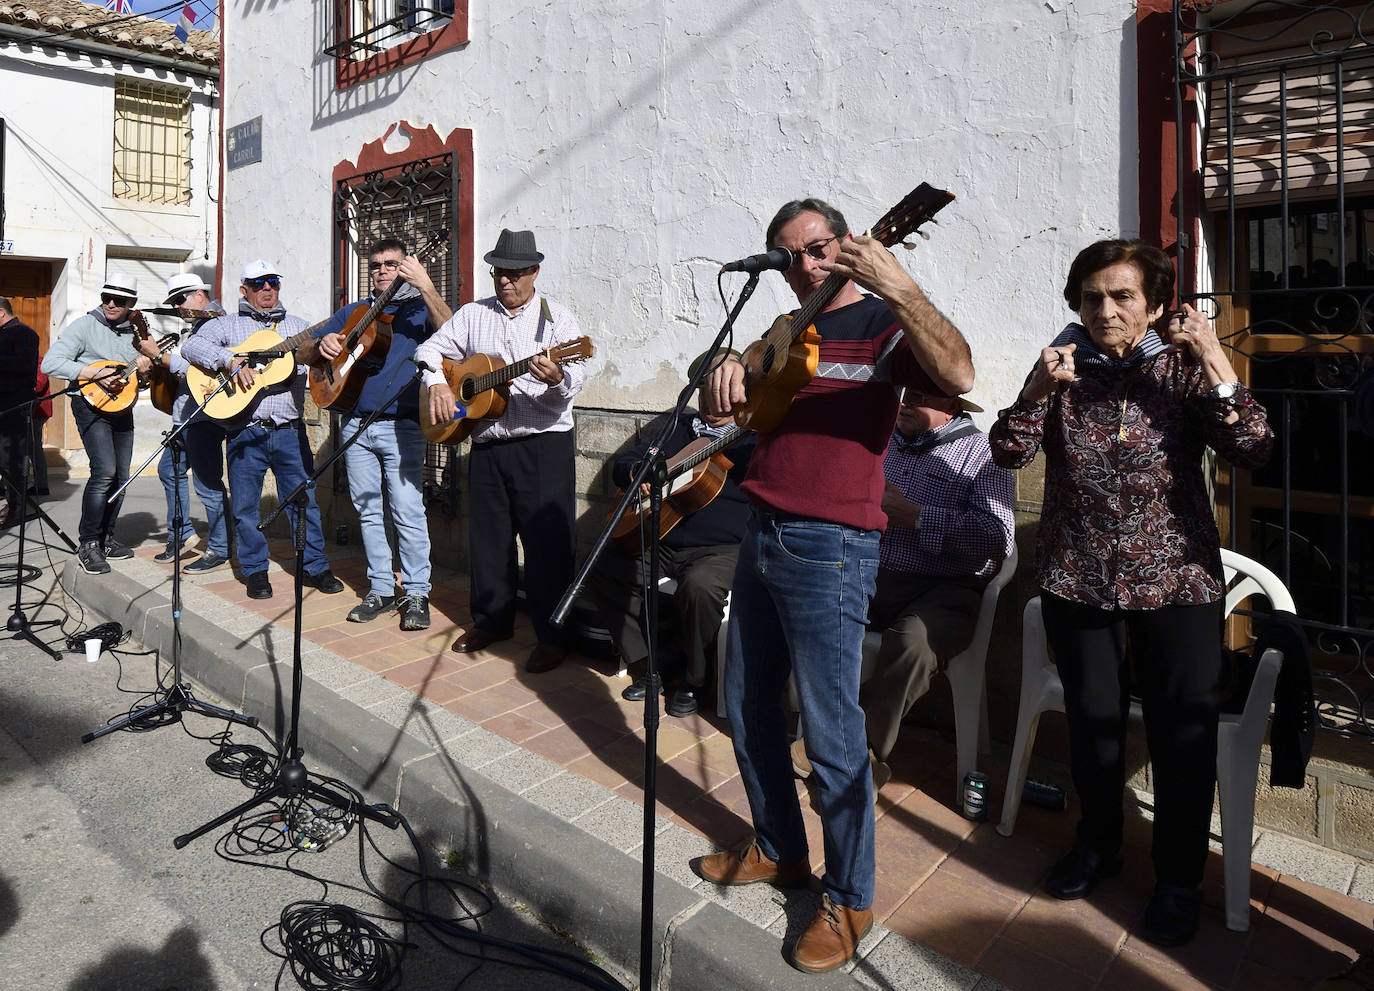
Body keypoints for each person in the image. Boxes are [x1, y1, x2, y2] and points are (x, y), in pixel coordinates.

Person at [694, 197, 975, 974]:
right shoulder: (782, 334)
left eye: (817, 249)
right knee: (747, 704)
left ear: (846, 248)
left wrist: (904, 287)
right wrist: (724, 370)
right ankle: (781, 848)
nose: (805, 266)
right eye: (789, 255)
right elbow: (734, 387)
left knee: (831, 730)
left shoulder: (883, 327)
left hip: (834, 547)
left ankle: (850, 895)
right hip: (762, 530)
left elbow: (959, 370)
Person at [989, 238, 1273, 947]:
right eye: (1092, 296)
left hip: (1177, 583)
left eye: (1122, 296)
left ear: (1154, 304)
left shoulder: (1180, 371)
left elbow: (1254, 446)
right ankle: (1099, 842)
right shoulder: (1061, 370)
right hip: (1078, 579)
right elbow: (1007, 451)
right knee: (1093, 727)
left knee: (1183, 738)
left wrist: (1212, 357)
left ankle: (1178, 878)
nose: (1105, 309)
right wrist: (1033, 393)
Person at [790, 385, 1015, 784]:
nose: (906, 403)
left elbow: (997, 537)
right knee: (815, 608)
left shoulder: (984, 454)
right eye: (906, 393)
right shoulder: (880, 438)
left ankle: (854, 751)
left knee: (913, 643)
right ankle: (821, 732)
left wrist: (915, 516)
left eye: (922, 398)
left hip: (947, 589)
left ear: (951, 406)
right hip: (873, 570)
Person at [415, 229, 585, 674]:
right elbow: (430, 350)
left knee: (548, 545)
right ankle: (492, 620)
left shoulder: (559, 321)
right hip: (489, 442)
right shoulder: (473, 315)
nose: (504, 281)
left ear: (534, 272)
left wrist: (556, 377)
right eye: (498, 273)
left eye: (513, 273)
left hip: (543, 445)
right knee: (488, 540)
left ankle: (553, 635)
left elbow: (576, 380)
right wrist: (435, 381)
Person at [590, 350, 755, 717]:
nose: (712, 393)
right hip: (660, 536)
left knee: (700, 587)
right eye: (704, 384)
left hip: (721, 549)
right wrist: (637, 473)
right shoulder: (677, 427)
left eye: (720, 382)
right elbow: (627, 460)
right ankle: (649, 664)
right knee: (602, 566)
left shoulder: (753, 437)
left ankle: (695, 681)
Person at [301, 236, 452, 631]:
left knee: (407, 511)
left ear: (404, 267)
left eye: (391, 263)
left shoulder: (421, 311)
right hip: (355, 424)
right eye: (376, 265)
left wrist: (428, 286)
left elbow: (456, 338)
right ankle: (381, 589)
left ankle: (417, 592)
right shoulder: (355, 311)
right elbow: (303, 354)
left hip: (402, 427)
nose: (383, 269)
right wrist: (323, 342)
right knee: (368, 512)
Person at [180, 261, 344, 600]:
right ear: (244, 290)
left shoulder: (298, 327)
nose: (267, 288)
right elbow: (191, 348)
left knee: (304, 502)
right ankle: (255, 570)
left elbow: (322, 360)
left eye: (273, 282)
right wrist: (229, 361)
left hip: (289, 430)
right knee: (245, 506)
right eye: (258, 283)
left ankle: (314, 567)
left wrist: (327, 347)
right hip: (244, 431)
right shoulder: (226, 325)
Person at [41, 279, 164, 575]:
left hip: (122, 406)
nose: (110, 304)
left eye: (118, 301)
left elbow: (137, 380)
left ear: (130, 306)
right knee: (104, 471)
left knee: (121, 476)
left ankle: (107, 537)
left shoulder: (137, 335)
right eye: (107, 297)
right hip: (88, 405)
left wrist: (146, 373)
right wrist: (92, 372)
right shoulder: (85, 326)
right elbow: (50, 363)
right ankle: (89, 543)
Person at [162, 273, 234, 575]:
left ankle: (219, 547)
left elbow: (202, 372)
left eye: (180, 299)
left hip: (204, 417)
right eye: (174, 302)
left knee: (207, 485)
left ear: (199, 295)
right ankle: (181, 533)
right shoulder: (198, 325)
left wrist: (165, 360)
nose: (177, 306)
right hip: (187, 416)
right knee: (169, 470)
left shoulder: (216, 323)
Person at [0, 298, 40, 529]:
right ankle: (11, 501)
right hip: (3, 404)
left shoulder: (24, 333)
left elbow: (24, 366)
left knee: (11, 459)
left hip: (14, 406)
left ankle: (16, 506)